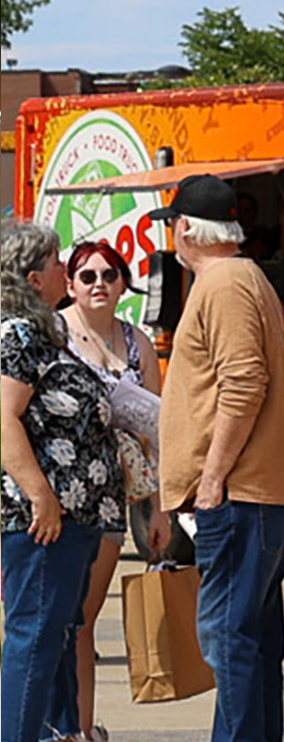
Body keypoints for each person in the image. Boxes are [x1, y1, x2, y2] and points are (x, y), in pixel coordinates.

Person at [153, 174, 284, 742]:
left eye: (172, 224)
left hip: (243, 496)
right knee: (252, 641)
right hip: (264, 496)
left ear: (188, 228)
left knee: (230, 639)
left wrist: (212, 477)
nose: (171, 235)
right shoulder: (247, 279)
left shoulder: (222, 285)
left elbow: (244, 385)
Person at [1, 222, 130, 742]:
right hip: (44, 523)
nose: (65, 269)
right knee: (34, 639)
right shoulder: (16, 334)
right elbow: (5, 419)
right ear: (34, 278)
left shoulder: (46, 332)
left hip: (75, 520)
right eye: (58, 263)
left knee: (56, 636)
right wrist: (42, 498)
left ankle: (59, 733)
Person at [59, 240, 171, 742]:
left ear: (123, 282)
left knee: (83, 617)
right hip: (60, 492)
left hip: (114, 496)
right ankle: (53, 721)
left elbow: (159, 428)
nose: (99, 283)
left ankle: (78, 727)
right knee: (52, 619)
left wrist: (161, 511)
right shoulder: (56, 334)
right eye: (87, 276)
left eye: (109, 274)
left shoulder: (137, 341)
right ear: (70, 285)